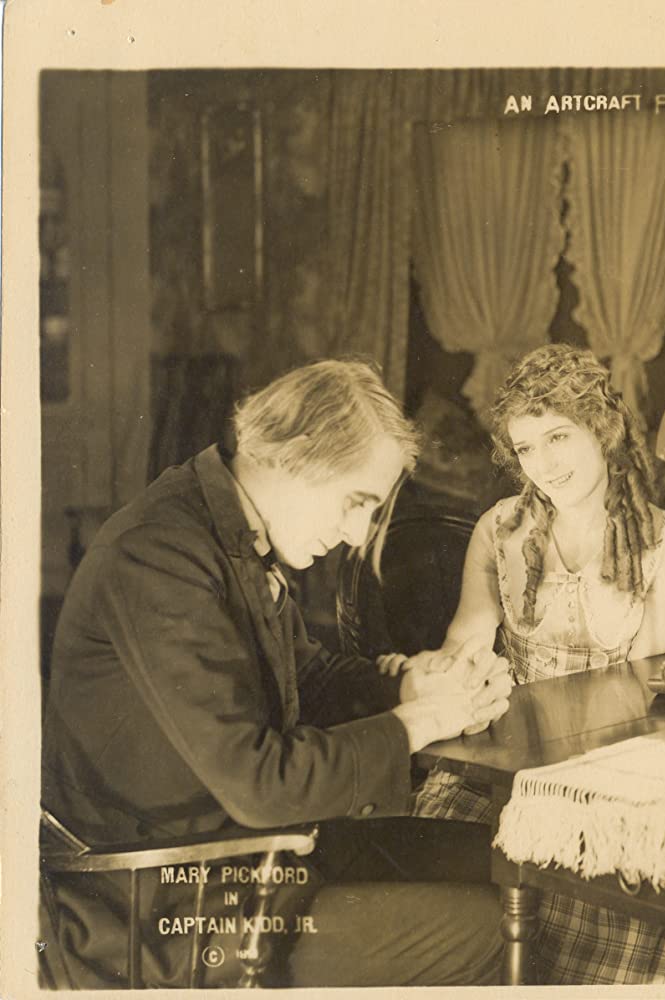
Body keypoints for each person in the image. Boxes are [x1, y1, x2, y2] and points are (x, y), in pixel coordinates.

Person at [40, 359, 514, 988]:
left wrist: (408, 686)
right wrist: (419, 722)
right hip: (163, 908)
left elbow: (305, 678)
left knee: (513, 862)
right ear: (294, 456)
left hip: (249, 854)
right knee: (499, 926)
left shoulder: (220, 526)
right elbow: (259, 783)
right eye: (356, 503)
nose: (357, 534)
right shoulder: (157, 557)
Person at [387, 344, 665, 985]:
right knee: (440, 887)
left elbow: (647, 686)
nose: (543, 464)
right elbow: (467, 640)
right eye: (526, 447)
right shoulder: (499, 528)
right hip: (502, 760)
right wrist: (440, 671)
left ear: (603, 429)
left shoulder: (663, 539)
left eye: (558, 437)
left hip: (612, 762)